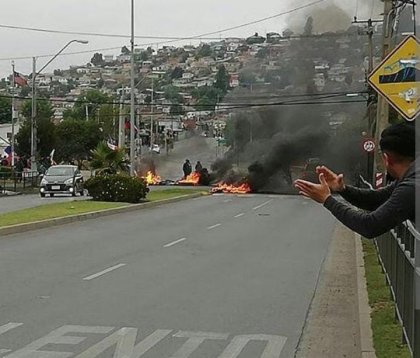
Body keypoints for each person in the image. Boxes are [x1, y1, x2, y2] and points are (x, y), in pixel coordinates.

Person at [294, 123, 417, 238]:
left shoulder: (412, 186)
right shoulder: (411, 177)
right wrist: (342, 189)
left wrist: (327, 200)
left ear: (386, 159)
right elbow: (378, 199)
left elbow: (370, 226)